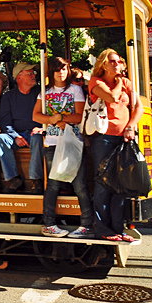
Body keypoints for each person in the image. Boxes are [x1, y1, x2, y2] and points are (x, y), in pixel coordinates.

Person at [32, 57, 93, 239]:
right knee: (53, 185)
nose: (61, 73)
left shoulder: (75, 90)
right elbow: (36, 115)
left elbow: (79, 116)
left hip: (72, 142)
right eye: (58, 69)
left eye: (64, 69)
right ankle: (49, 224)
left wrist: (60, 118)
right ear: (51, 72)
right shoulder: (45, 92)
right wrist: (51, 120)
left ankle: (86, 224)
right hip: (51, 143)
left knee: (80, 184)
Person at [87, 49, 143, 241]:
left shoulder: (127, 83)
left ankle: (118, 229)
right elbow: (111, 97)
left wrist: (131, 126)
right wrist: (119, 81)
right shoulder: (96, 82)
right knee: (103, 184)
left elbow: (138, 108)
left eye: (119, 61)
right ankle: (103, 229)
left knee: (120, 185)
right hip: (103, 138)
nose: (117, 64)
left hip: (123, 138)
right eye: (112, 61)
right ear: (103, 64)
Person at [0, 62, 43, 194]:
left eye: (34, 73)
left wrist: (41, 128)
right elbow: (5, 122)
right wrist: (15, 136)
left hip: (35, 133)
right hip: (16, 135)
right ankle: (14, 179)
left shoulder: (40, 93)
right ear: (19, 77)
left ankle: (36, 180)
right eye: (30, 73)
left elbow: (47, 115)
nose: (34, 76)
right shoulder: (8, 97)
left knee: (38, 138)